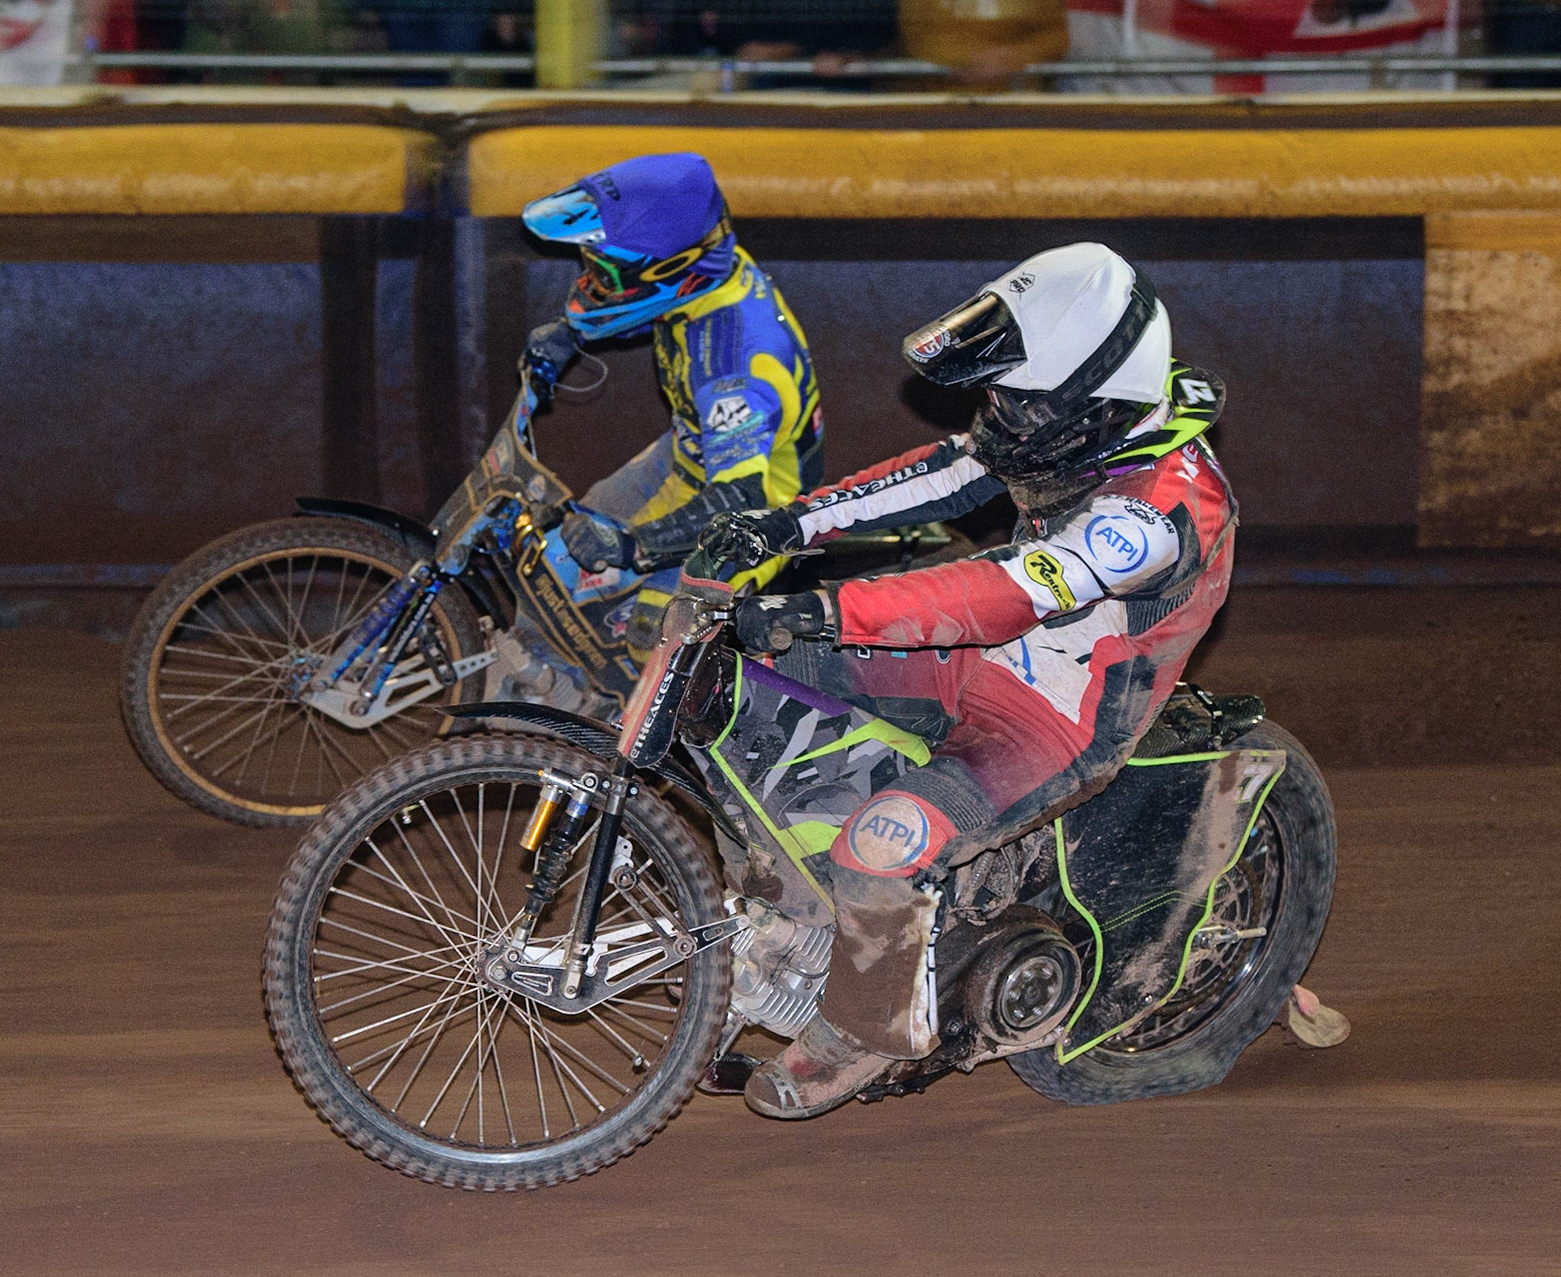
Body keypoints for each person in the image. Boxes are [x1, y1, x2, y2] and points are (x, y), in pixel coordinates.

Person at [702, 243, 1243, 1118]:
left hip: (1055, 716)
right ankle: (796, 912)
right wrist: (786, 525)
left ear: (1085, 403)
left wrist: (831, 608)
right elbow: (948, 473)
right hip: (970, 661)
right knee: (739, 684)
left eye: (1013, 400)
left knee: (882, 846)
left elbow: (999, 596)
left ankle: (868, 1030)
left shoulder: (1155, 515)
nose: (997, 416)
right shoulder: (1075, 423)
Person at [498, 152, 824, 712]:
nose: (590, 283)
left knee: (650, 642)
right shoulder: (703, 263)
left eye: (603, 274)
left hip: (759, 508)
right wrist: (570, 332)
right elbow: (645, 299)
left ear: (670, 272)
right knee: (556, 558)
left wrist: (634, 547)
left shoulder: (736, 362)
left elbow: (739, 503)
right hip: (692, 455)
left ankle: (621, 745)